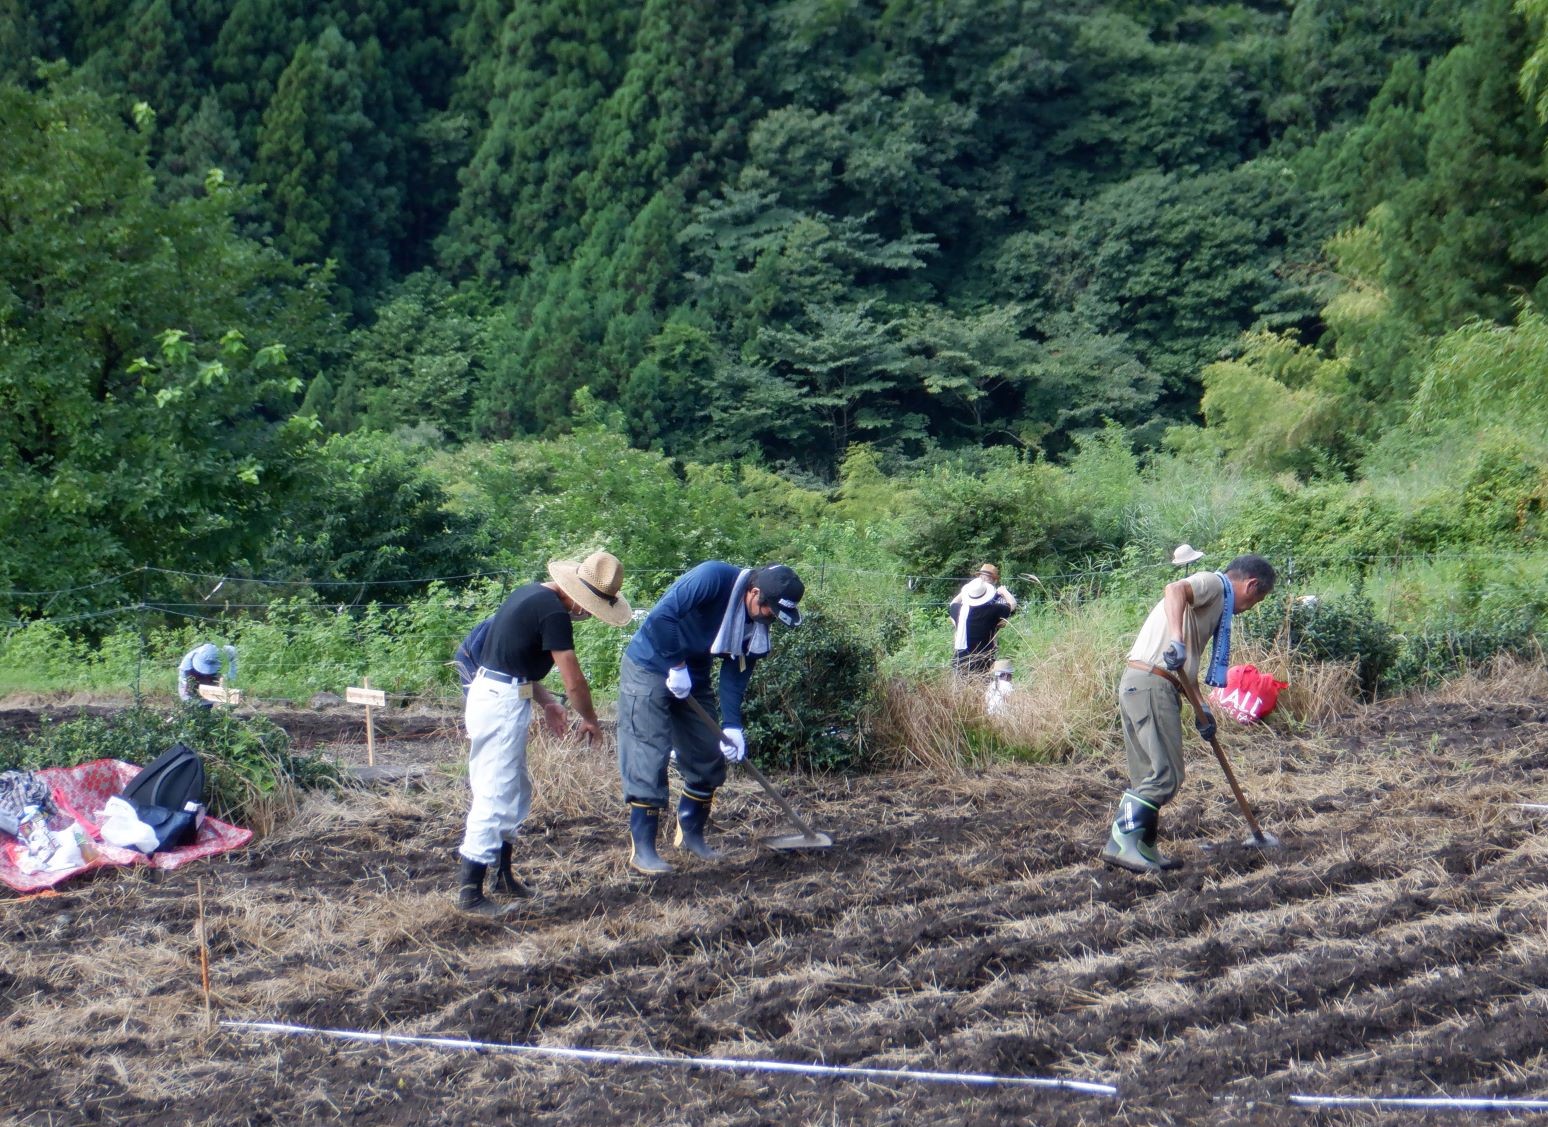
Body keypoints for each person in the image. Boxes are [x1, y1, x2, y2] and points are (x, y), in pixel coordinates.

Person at [455, 551, 631, 916]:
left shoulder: (530, 594)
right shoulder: (553, 613)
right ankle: (470, 893)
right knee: (495, 793)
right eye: (588, 605)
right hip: (500, 703)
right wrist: (591, 719)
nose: (585, 613)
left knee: (514, 790)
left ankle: (501, 876)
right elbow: (574, 679)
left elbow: (511, 664)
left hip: (500, 694)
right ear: (575, 594)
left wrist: (548, 703)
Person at [616, 561, 805, 873]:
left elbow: (735, 673)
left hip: (694, 673)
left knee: (707, 753)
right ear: (754, 592)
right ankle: (644, 850)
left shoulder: (756, 626)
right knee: (649, 753)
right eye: (770, 609)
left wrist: (732, 726)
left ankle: (690, 836)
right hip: (649, 665)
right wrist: (676, 667)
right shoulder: (712, 578)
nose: (770, 617)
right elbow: (662, 617)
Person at [1101, 554, 1276, 875]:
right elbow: (1174, 589)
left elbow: (1186, 667)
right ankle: (1122, 843)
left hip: (1141, 682)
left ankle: (1141, 847)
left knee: (1148, 775)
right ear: (1251, 585)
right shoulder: (1214, 584)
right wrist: (1177, 641)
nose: (1250, 607)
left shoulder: (1211, 609)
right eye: (1257, 599)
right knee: (1167, 775)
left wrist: (1201, 708)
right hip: (1152, 683)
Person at [948, 577, 1012, 676]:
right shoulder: (994, 610)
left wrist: (963, 592)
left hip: (960, 660)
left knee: (960, 688)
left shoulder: (958, 610)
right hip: (984, 660)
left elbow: (953, 603)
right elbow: (1012, 604)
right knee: (983, 687)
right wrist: (1004, 591)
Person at [177, 643, 236, 708]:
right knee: (192, 705)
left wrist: (223, 689)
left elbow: (230, 675)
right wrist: (190, 702)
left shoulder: (227, 652)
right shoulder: (187, 662)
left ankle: (207, 709)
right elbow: (185, 688)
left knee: (208, 704)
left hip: (211, 680)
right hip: (194, 680)